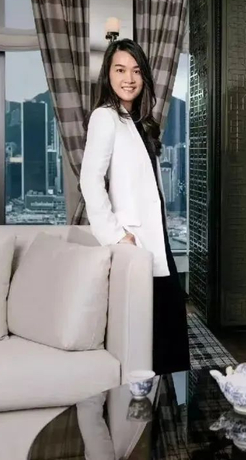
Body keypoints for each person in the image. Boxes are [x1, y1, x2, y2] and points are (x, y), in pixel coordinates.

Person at [81, 38, 190, 374]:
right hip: (135, 241)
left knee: (169, 327)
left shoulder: (139, 121)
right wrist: (116, 236)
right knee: (154, 334)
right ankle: (148, 400)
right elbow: (90, 180)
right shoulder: (105, 117)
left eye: (136, 70)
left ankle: (168, 401)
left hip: (157, 238)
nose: (128, 78)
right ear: (108, 75)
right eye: (120, 70)